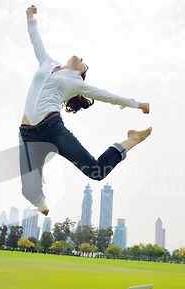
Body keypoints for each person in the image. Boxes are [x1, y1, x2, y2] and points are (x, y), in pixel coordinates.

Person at [20, 5, 152, 216]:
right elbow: (36, 39)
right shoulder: (46, 62)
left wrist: (138, 104)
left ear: (80, 75)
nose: (82, 60)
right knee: (29, 191)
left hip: (52, 130)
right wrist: (30, 17)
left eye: (84, 65)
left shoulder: (75, 83)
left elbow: (109, 96)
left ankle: (132, 140)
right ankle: (41, 204)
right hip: (27, 134)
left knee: (97, 172)